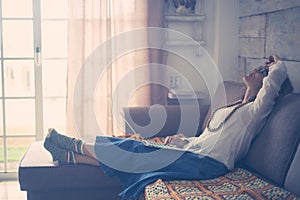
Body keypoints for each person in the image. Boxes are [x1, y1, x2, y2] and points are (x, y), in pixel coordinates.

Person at [44, 55, 293, 199]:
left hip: (208, 164)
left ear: (266, 83)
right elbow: (208, 136)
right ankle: (68, 155)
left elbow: (275, 81)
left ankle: (71, 145)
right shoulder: (234, 105)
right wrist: (182, 142)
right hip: (195, 153)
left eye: (260, 70)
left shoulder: (256, 112)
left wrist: (275, 66)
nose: (253, 70)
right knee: (136, 148)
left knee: (134, 149)